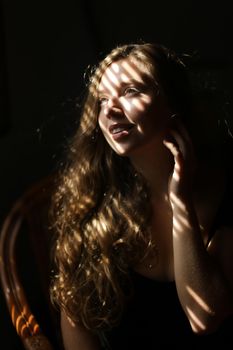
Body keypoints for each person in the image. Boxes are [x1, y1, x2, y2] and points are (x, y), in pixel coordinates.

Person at [49, 42, 233, 349]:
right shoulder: (93, 205)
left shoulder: (223, 192)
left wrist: (180, 198)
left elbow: (205, 318)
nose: (109, 109)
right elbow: (79, 329)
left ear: (174, 102)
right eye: (102, 99)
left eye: (130, 90)